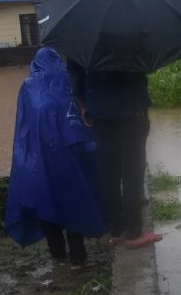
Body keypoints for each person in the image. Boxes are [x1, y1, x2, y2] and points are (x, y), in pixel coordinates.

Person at [5, 47, 106, 269]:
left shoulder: (28, 86)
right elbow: (79, 118)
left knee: (46, 201)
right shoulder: (68, 80)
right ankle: (78, 257)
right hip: (71, 155)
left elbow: (24, 126)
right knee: (74, 201)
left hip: (41, 158)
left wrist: (26, 159)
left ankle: (57, 253)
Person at [67, 59, 162, 249]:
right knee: (132, 173)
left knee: (108, 174)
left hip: (100, 112)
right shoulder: (131, 39)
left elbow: (75, 74)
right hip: (132, 109)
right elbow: (146, 63)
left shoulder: (83, 45)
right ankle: (134, 233)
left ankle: (116, 230)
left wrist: (83, 105)